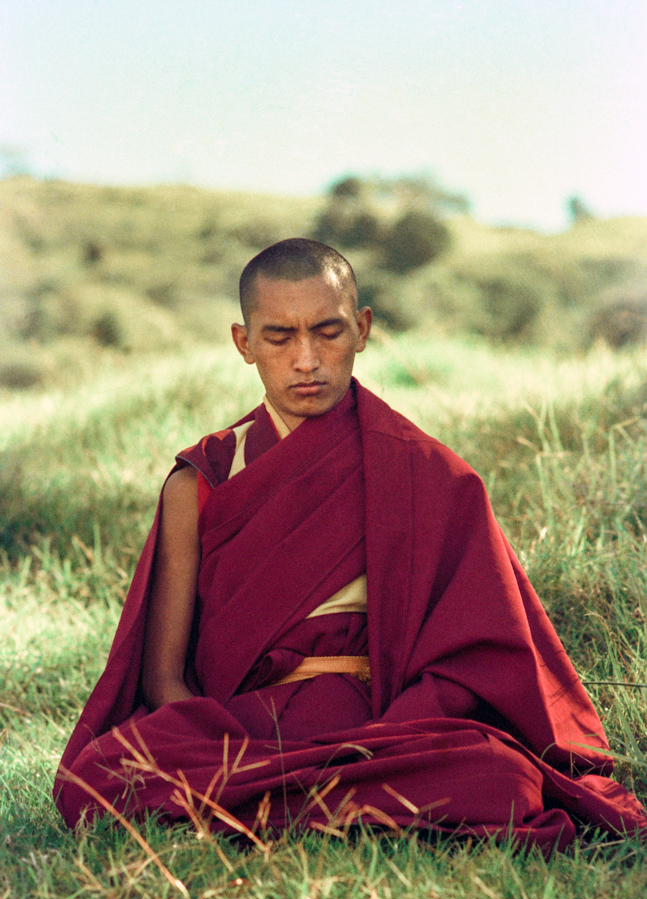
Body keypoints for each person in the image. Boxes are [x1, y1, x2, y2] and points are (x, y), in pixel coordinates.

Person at [54, 238, 647, 854]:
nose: (306, 359)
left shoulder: (427, 474)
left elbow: (476, 656)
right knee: (99, 774)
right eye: (280, 337)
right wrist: (233, 749)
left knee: (505, 778)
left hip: (383, 728)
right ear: (244, 343)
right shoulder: (201, 481)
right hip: (240, 731)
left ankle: (270, 806)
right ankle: (322, 803)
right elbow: (162, 679)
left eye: (328, 332)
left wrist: (380, 738)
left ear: (362, 330)